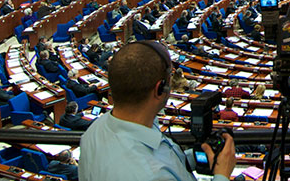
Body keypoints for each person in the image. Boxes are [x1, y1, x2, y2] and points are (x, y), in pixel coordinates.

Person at [80, 41, 236, 181]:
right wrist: (222, 174)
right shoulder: (153, 175)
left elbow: (162, 157)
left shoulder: (94, 131)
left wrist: (195, 157)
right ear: (160, 89)